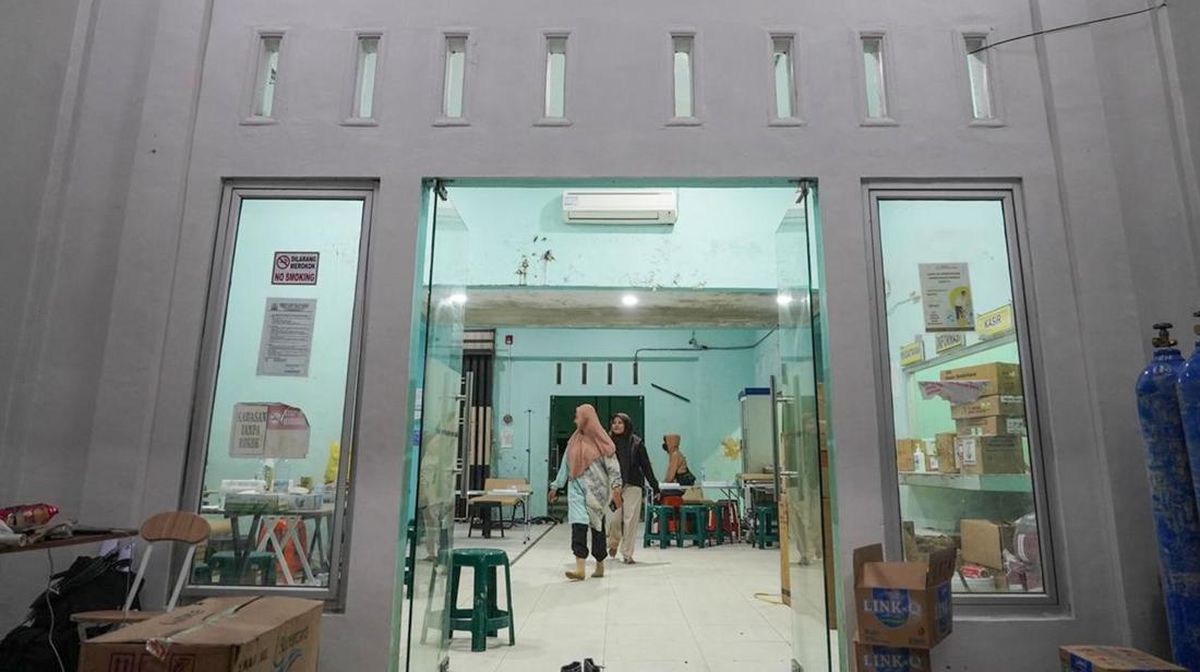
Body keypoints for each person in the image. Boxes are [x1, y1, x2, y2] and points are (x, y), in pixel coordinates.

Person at [549, 404, 623, 581]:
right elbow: (565, 465)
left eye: (578, 417)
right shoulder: (574, 441)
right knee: (578, 525)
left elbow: (613, 467)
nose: (575, 420)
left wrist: (616, 488)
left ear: (586, 418)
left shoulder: (602, 441)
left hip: (596, 491)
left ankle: (599, 565)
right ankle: (580, 568)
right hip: (575, 489)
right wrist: (555, 486)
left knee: (597, 528)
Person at [606, 413, 660, 564]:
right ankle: (613, 542)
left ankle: (627, 553)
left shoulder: (637, 443)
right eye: (614, 422)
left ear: (627, 425)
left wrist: (655, 487)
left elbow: (646, 466)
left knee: (630, 520)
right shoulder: (607, 442)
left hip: (633, 485)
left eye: (620, 422)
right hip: (614, 486)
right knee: (613, 519)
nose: (616, 425)